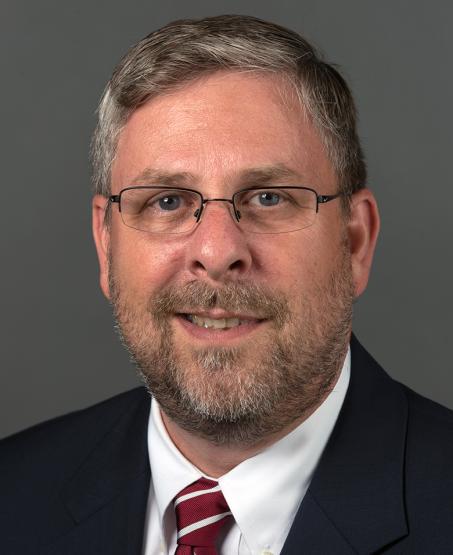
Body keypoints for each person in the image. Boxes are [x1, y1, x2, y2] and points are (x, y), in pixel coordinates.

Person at [1, 14, 453, 555]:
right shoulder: (14, 494)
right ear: (106, 244)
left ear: (354, 241)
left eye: (269, 197)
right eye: (166, 201)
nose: (217, 253)